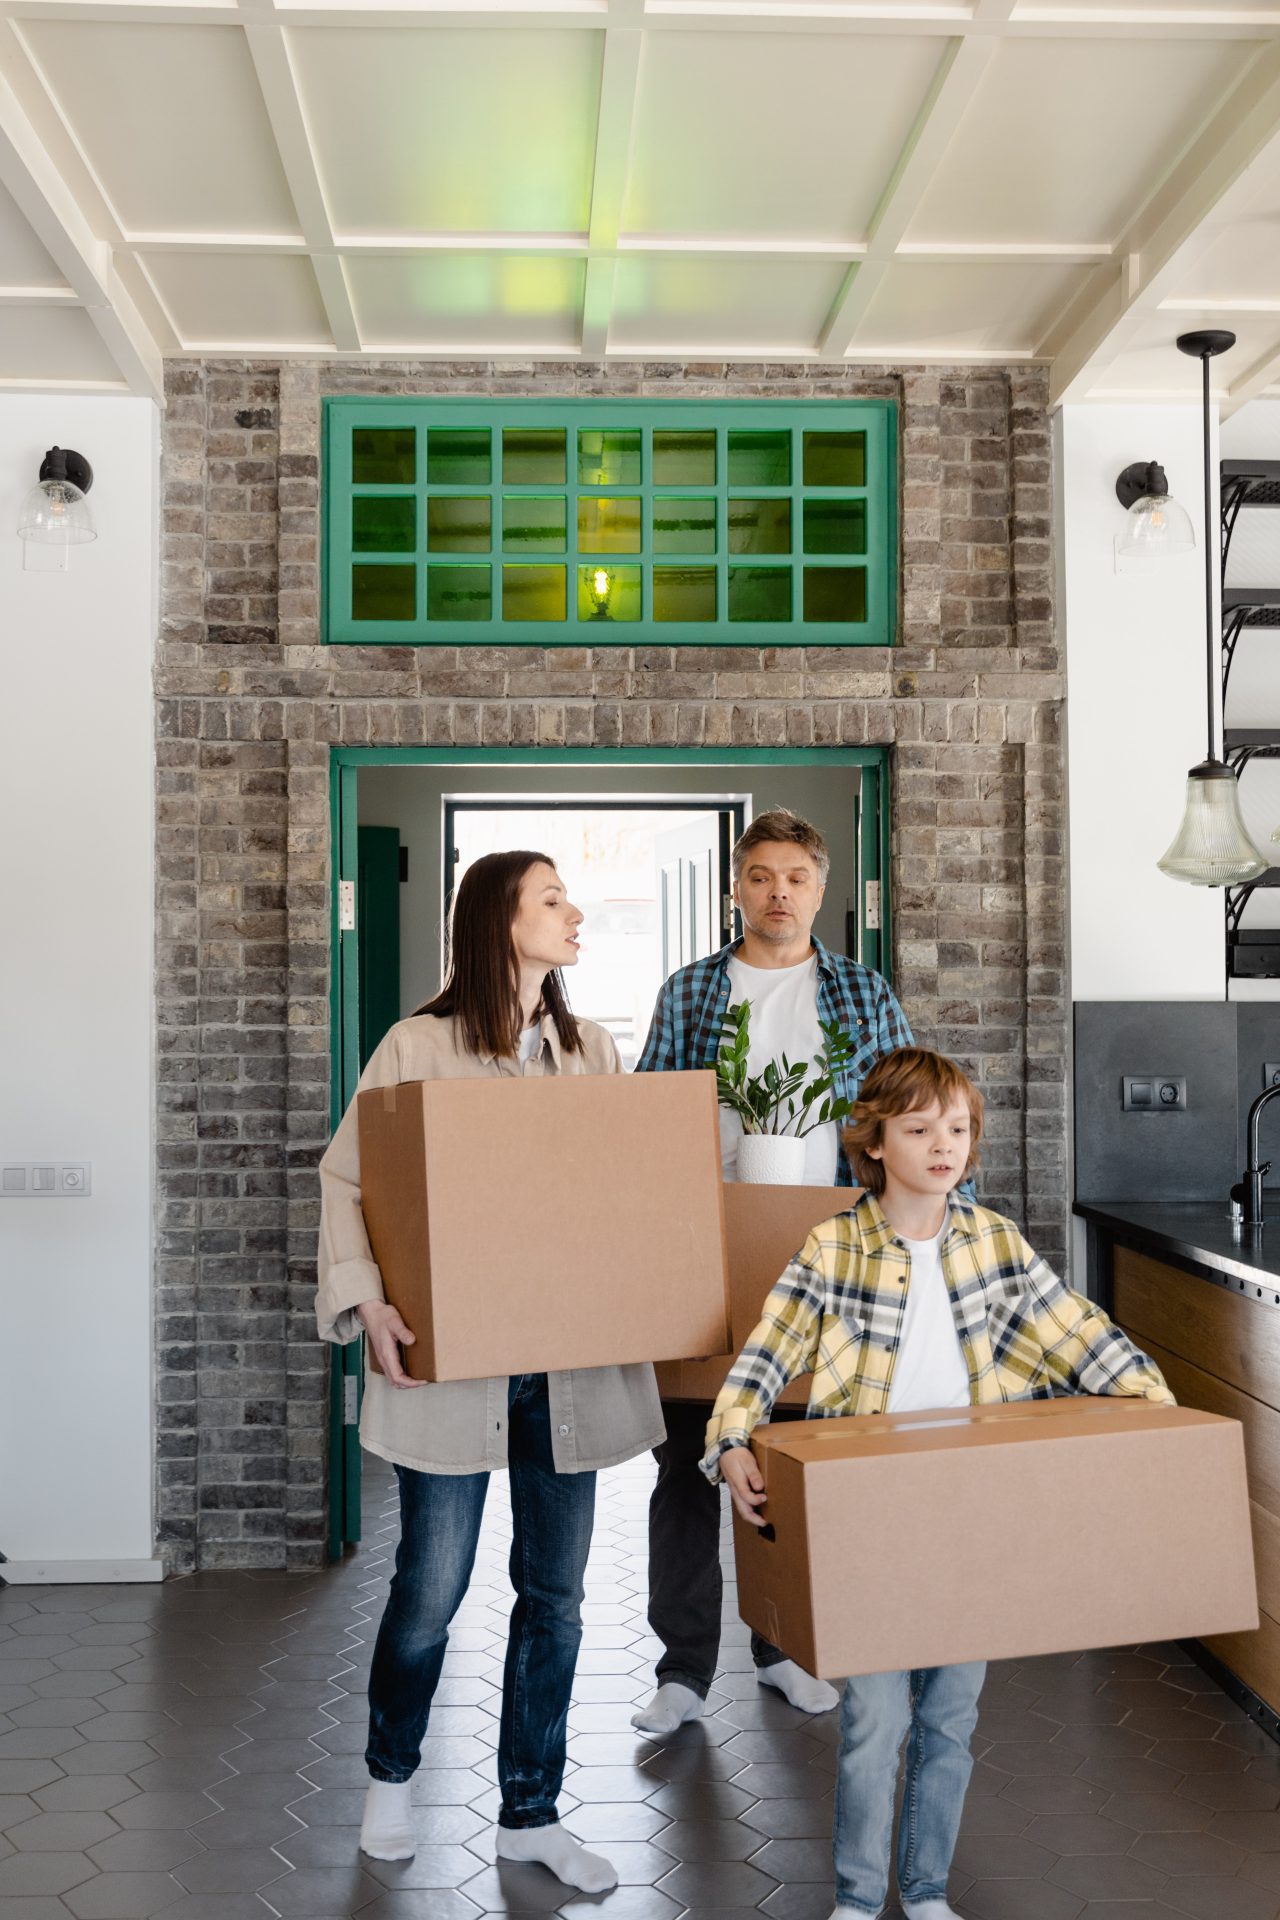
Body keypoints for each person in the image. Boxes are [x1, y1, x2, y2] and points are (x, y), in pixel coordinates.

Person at [704, 1047, 1174, 1920]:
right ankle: (854, 1898)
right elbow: (766, 1353)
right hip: (867, 1518)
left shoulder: (994, 1243)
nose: (943, 1144)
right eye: (919, 1129)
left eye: (957, 1128)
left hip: (970, 1514)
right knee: (875, 1720)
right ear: (874, 1141)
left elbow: (1076, 1332)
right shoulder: (834, 1244)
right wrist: (732, 1437)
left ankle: (924, 1893)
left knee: (950, 1718)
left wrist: (1153, 1401)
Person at [315, 851, 665, 1895]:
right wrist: (365, 1300)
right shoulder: (413, 1048)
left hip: (566, 1368)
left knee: (552, 1597)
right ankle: (390, 1775)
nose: (574, 915)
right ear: (497, 920)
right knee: (429, 1590)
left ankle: (529, 1815)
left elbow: (625, 1190)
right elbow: (349, 1180)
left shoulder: (590, 1049)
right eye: (552, 899)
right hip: (449, 1367)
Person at [631, 807, 914, 1737]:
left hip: (824, 1265)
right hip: (700, 1260)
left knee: (792, 1461)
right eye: (759, 876)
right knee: (684, 1463)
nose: (777, 893)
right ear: (735, 890)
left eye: (794, 876)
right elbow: (649, 1121)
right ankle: (680, 1672)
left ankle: (786, 1649)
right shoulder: (689, 993)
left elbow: (905, 1120)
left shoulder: (863, 995)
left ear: (820, 890)